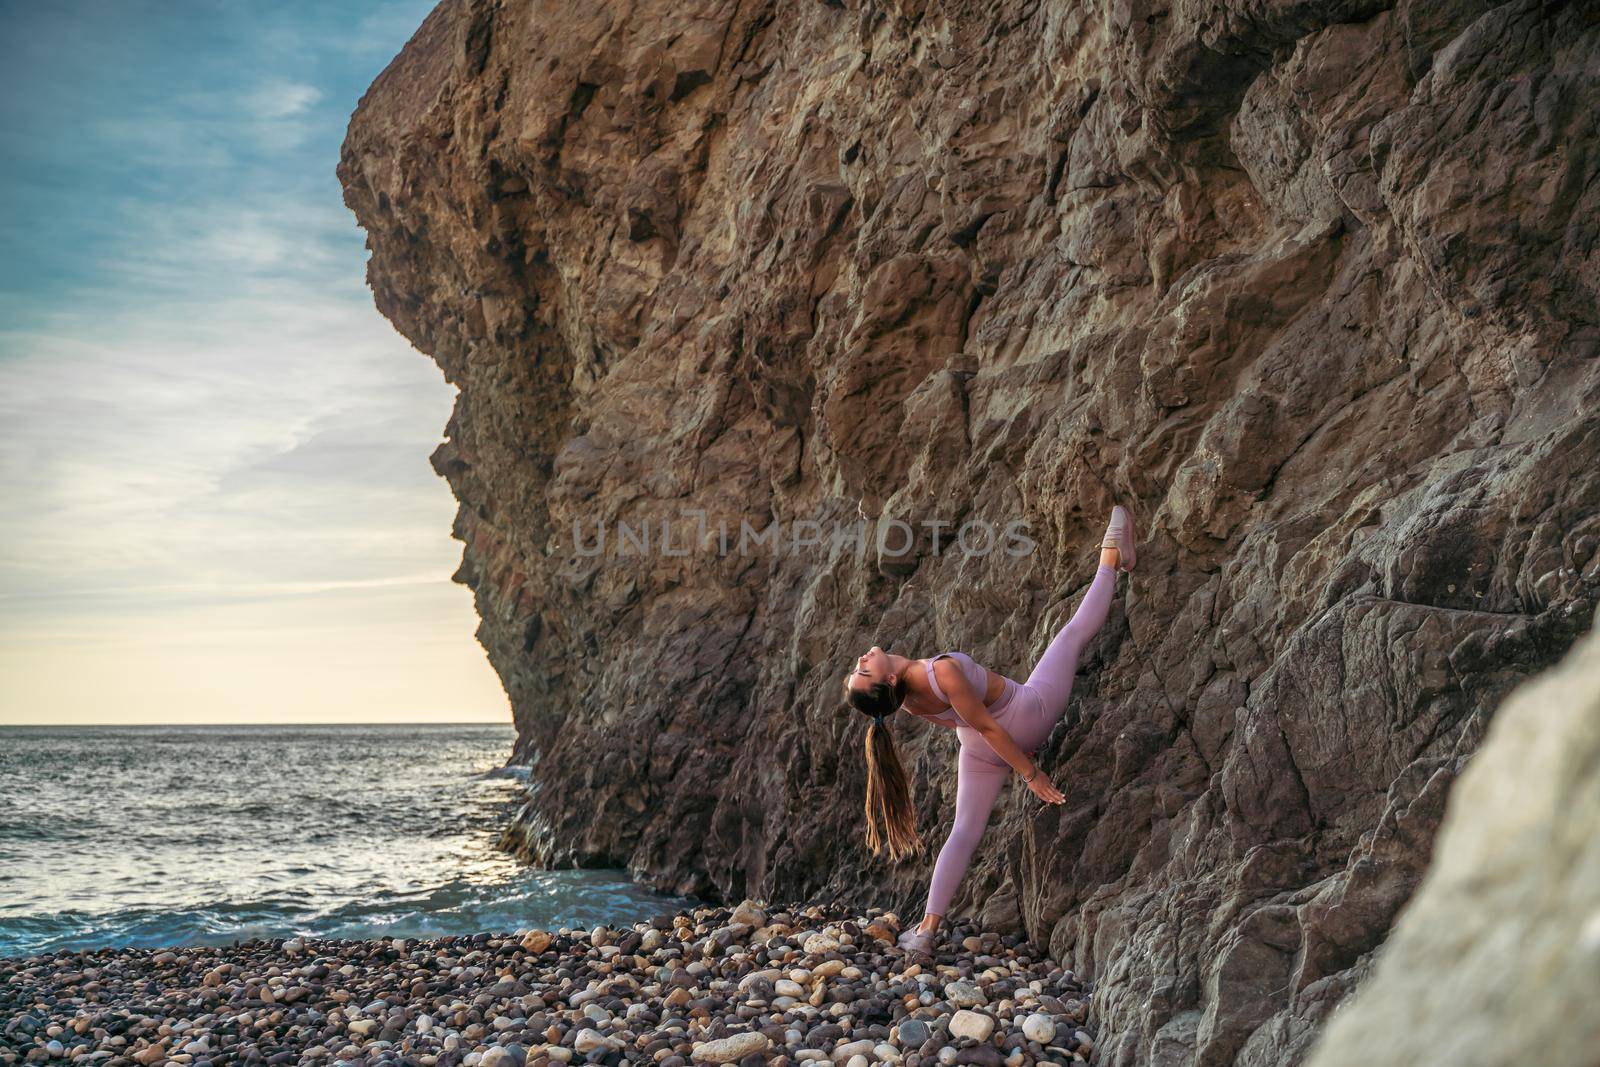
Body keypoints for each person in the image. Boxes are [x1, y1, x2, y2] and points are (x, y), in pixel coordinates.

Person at [841, 504, 1138, 957]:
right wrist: (1031, 775)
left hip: (976, 749)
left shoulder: (908, 701)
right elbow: (990, 725)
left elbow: (975, 728)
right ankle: (1111, 556)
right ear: (889, 681)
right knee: (1071, 635)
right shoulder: (939, 673)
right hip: (1023, 718)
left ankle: (925, 930)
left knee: (964, 829)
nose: (861, 661)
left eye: (857, 668)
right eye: (863, 672)